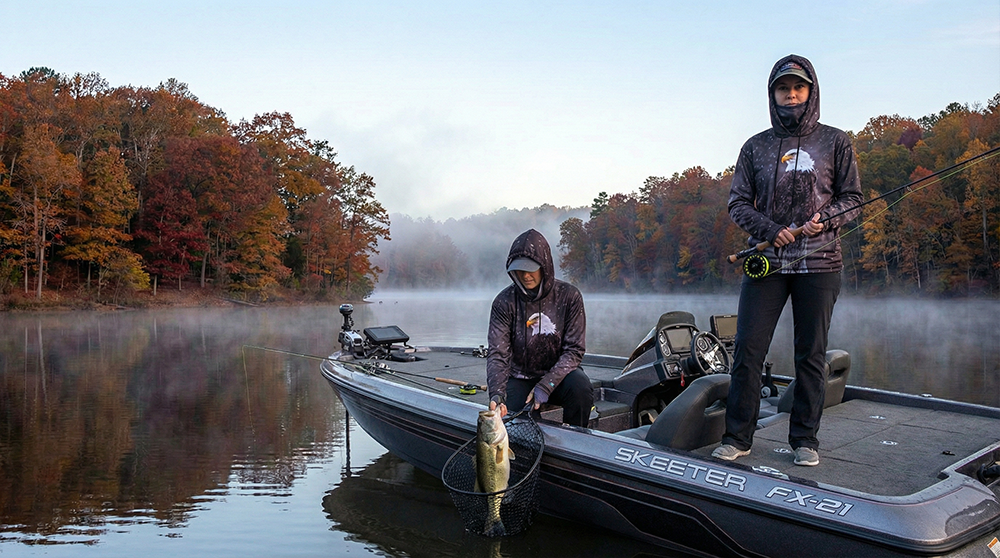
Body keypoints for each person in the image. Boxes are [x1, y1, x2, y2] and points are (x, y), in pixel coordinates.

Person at [712, 55, 862, 467]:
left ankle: (804, 441)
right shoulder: (755, 146)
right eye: (783, 88)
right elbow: (738, 202)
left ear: (810, 92)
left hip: (821, 263)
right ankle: (737, 436)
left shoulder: (836, 141)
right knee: (747, 350)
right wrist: (768, 229)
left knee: (810, 355)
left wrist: (826, 218)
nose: (791, 94)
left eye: (798, 87)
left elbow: (853, 199)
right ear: (773, 94)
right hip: (768, 265)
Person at [486, 229, 593, 427]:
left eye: (531, 268)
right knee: (513, 421)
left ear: (545, 266)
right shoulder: (504, 302)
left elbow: (574, 351)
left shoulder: (570, 297)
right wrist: (497, 393)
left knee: (581, 388)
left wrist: (546, 385)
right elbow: (498, 354)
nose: (525, 275)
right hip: (519, 377)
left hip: (561, 374)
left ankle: (577, 441)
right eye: (519, 269)